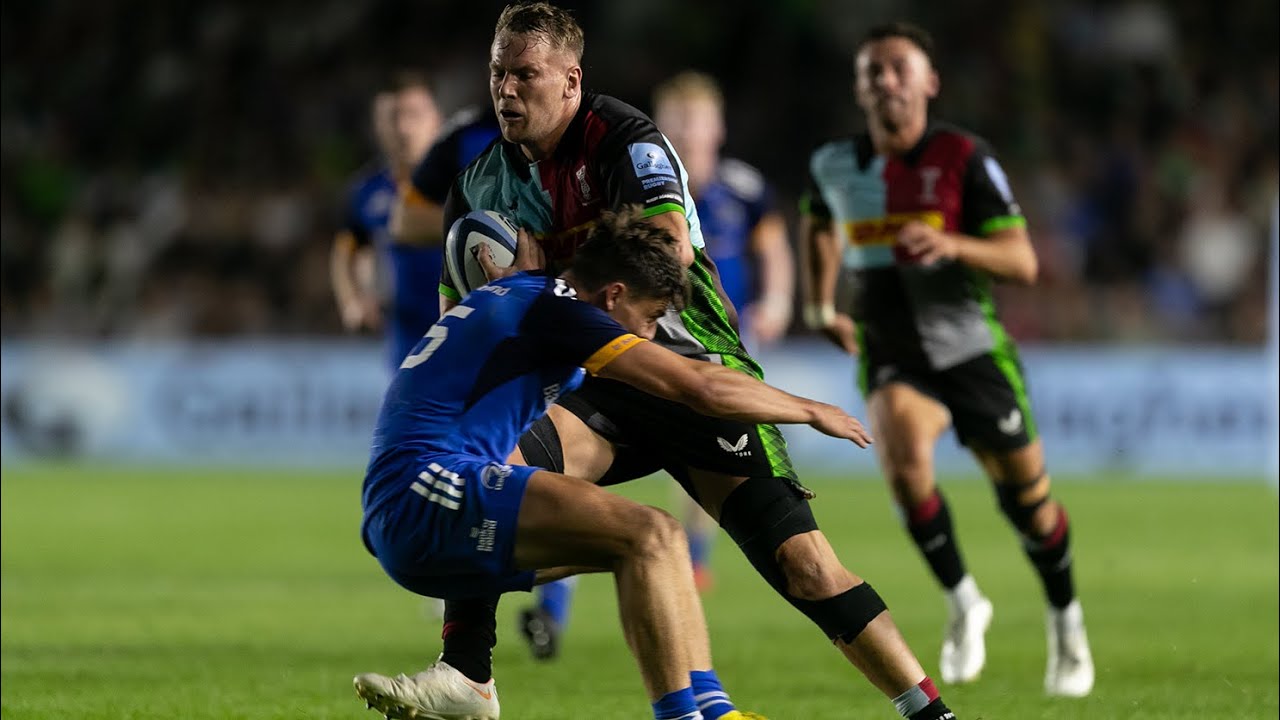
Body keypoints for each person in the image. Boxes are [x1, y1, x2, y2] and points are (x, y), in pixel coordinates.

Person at [422, 5, 957, 720]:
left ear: (571, 80)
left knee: (803, 565)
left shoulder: (623, 140)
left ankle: (930, 713)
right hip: (590, 388)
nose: (507, 90)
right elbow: (457, 315)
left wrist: (538, 268)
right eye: (498, 73)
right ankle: (468, 675)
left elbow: (666, 253)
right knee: (486, 477)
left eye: (526, 74)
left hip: (688, 368)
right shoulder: (476, 185)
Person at [354, 207, 861, 719]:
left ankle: (472, 683)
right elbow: (698, 385)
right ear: (614, 295)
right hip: (426, 491)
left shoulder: (530, 301)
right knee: (651, 534)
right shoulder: (559, 309)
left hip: (403, 515)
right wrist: (811, 410)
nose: (647, 334)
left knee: (650, 550)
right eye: (648, 318)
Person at [800, 21, 1094, 697]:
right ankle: (965, 601)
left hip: (972, 353)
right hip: (893, 353)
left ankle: (1066, 621)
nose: (886, 81)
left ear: (930, 82)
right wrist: (818, 306)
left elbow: (1021, 260)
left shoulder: (965, 157)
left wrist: (956, 246)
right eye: (873, 70)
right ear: (859, 88)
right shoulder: (833, 165)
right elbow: (817, 222)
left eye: (900, 68)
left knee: (1029, 505)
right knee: (902, 460)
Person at [651, 69, 795, 595]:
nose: (688, 135)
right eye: (678, 124)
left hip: (723, 340)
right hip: (653, 336)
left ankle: (693, 558)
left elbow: (774, 249)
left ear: (718, 129)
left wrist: (776, 301)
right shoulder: (640, 186)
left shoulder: (745, 190)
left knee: (712, 441)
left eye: (697, 122)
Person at [331, 72, 443, 371]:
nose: (404, 128)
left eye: (414, 115)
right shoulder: (367, 192)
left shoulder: (469, 181)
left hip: (470, 332)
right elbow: (347, 249)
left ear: (436, 119)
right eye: (393, 117)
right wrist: (353, 300)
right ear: (377, 125)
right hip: (406, 341)